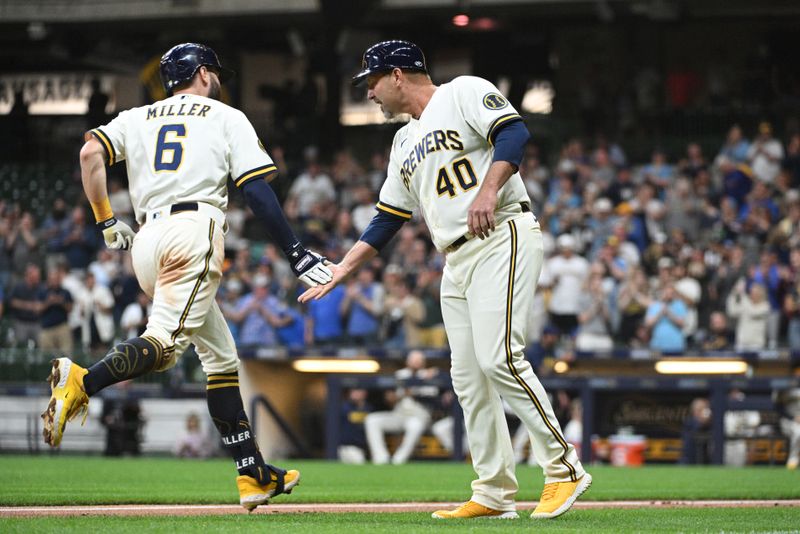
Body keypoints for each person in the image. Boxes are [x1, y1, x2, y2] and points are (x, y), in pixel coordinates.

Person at [300, 40, 589, 519]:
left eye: (371, 81)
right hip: (455, 257)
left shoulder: (462, 92)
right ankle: (494, 493)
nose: (368, 93)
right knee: (468, 378)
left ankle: (565, 469)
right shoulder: (402, 141)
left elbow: (513, 135)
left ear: (397, 75)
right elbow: (389, 216)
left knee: (500, 358)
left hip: (501, 232)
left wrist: (488, 189)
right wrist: (343, 268)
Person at [41, 42, 332, 511]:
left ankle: (253, 473)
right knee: (163, 348)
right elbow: (256, 191)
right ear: (200, 73)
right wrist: (295, 253)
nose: (218, 78)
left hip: (146, 239)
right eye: (214, 71)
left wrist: (105, 219)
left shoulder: (138, 116)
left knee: (220, 358)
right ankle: (81, 381)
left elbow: (89, 154)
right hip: (193, 232)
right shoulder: (224, 115)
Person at [364, 350, 439, 464]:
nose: (415, 363)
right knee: (372, 420)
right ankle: (381, 458)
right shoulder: (400, 374)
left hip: (419, 415)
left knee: (415, 425)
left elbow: (432, 398)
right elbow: (389, 398)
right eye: (413, 361)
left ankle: (399, 460)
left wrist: (413, 392)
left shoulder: (429, 375)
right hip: (399, 413)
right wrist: (397, 395)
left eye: (418, 361)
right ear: (407, 362)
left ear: (423, 363)